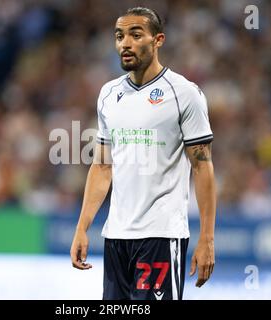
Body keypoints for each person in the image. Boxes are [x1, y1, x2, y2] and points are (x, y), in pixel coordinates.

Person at [70, 7, 216, 300]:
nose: (125, 43)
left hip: (161, 234)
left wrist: (207, 238)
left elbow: (202, 168)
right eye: (119, 36)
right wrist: (82, 227)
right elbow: (102, 166)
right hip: (116, 236)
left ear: (158, 40)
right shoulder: (109, 95)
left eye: (136, 35)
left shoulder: (184, 93)